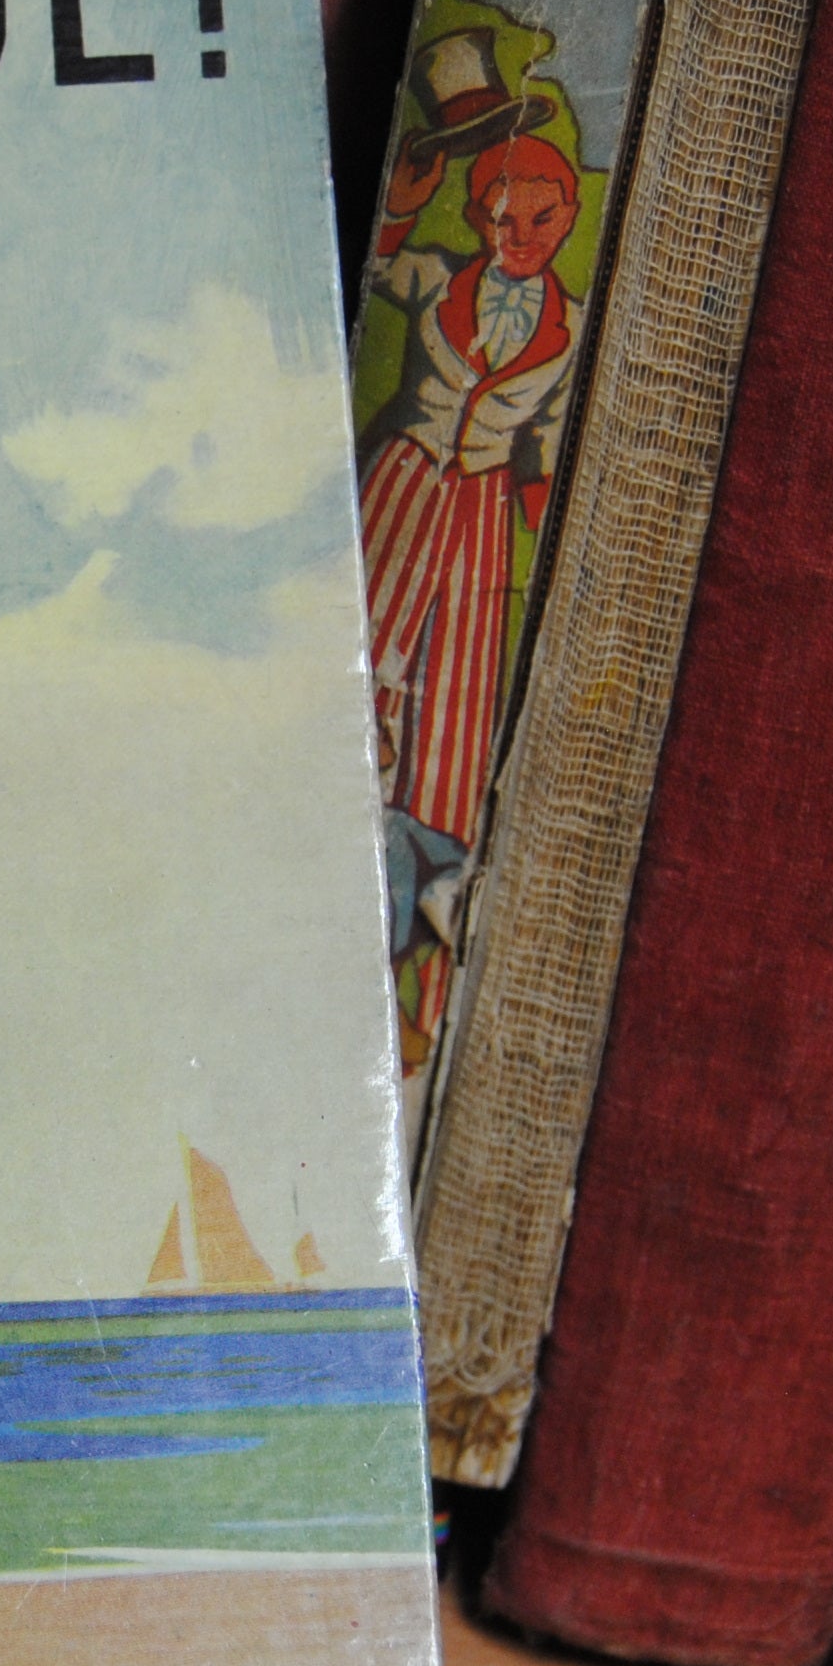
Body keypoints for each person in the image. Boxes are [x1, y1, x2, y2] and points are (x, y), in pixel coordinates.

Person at [355, 111, 583, 1079]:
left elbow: (550, 451)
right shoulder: (438, 279)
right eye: (502, 218)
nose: (519, 238)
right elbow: (379, 265)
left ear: (568, 218)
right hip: (402, 486)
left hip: (483, 524)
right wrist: (407, 197)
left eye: (540, 220)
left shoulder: (570, 330)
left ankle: (413, 1003)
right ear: (480, 215)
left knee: (448, 729)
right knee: (356, 675)